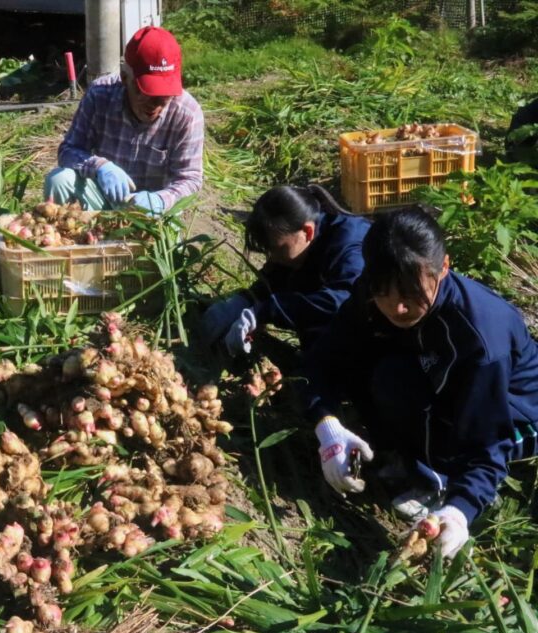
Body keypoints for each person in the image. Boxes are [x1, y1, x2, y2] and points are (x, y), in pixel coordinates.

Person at [302, 207, 538, 558]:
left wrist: (461, 509)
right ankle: (404, 452)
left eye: (411, 295)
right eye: (386, 294)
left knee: (397, 383)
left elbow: (488, 442)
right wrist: (327, 424)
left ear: (443, 267)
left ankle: (434, 478)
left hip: (512, 413)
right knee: (376, 367)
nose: (397, 309)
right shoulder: (372, 291)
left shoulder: (480, 340)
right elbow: (327, 355)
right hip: (431, 374)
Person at [43, 26, 203, 216]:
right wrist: (100, 166)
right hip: (102, 199)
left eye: (165, 94)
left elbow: (190, 179)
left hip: (152, 210)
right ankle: (69, 240)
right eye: (147, 92)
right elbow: (68, 151)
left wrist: (161, 200)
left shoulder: (187, 113)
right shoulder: (100, 95)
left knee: (168, 224)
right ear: (125, 77)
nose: (156, 103)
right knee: (59, 180)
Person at [198, 185, 371, 355]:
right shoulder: (297, 244)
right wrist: (244, 300)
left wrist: (264, 312)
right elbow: (276, 278)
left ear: (307, 232)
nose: (272, 258)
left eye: (277, 249)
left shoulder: (349, 245)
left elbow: (344, 299)